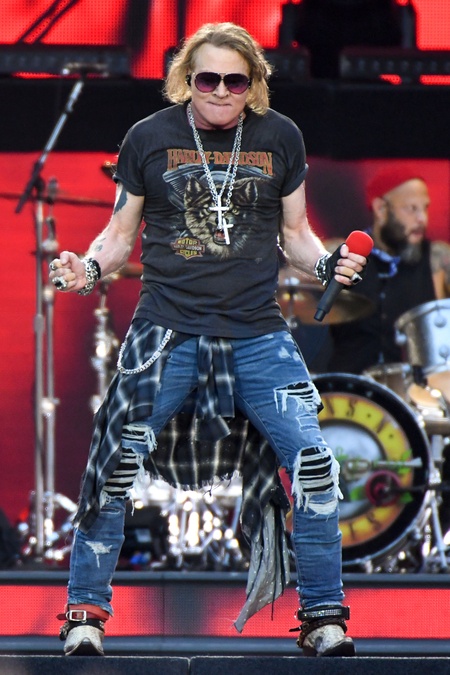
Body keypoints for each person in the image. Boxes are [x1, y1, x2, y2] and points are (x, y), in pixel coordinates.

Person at [49, 22, 366, 658]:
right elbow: (119, 235)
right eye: (208, 78)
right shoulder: (149, 136)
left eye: (235, 80)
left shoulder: (281, 137)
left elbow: (296, 236)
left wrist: (327, 263)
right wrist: (88, 269)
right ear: (186, 81)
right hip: (165, 332)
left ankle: (323, 616)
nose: (221, 90)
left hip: (256, 333)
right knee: (114, 464)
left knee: (312, 463)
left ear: (253, 85)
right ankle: (85, 614)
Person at [326, 168, 450, 375]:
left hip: (417, 388)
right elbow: (291, 291)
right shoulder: (342, 254)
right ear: (381, 209)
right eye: (412, 209)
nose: (422, 219)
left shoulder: (438, 258)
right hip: (350, 386)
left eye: (425, 208)